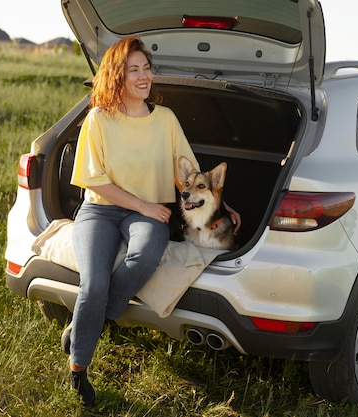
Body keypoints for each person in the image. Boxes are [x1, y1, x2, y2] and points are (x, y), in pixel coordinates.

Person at [64, 36, 241, 406]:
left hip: (147, 213)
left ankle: (91, 320)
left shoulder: (166, 120)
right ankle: (79, 372)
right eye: (134, 70)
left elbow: (190, 174)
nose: (144, 76)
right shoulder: (98, 118)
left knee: (145, 256)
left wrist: (222, 207)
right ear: (117, 75)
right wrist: (144, 206)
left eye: (147, 68)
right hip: (100, 209)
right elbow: (93, 181)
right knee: (93, 284)